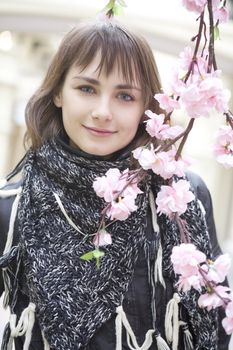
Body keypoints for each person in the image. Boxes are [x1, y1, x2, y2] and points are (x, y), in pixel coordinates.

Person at [0, 20, 230, 350]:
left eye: (124, 95)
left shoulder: (180, 198)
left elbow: (216, 319)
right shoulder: (14, 205)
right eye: (87, 89)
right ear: (57, 93)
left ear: (145, 108)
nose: (102, 112)